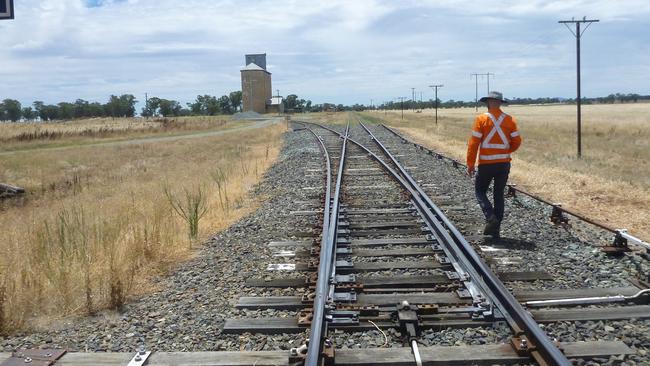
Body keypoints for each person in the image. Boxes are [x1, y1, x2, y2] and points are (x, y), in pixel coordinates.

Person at [466, 91, 522, 238]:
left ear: (489, 102)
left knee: (480, 191)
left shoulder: (481, 119)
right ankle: (495, 230)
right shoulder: (509, 120)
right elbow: (517, 141)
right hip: (503, 164)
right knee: (499, 194)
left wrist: (470, 164)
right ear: (500, 102)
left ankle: (490, 217)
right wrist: (507, 150)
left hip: (486, 164)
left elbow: (473, 144)